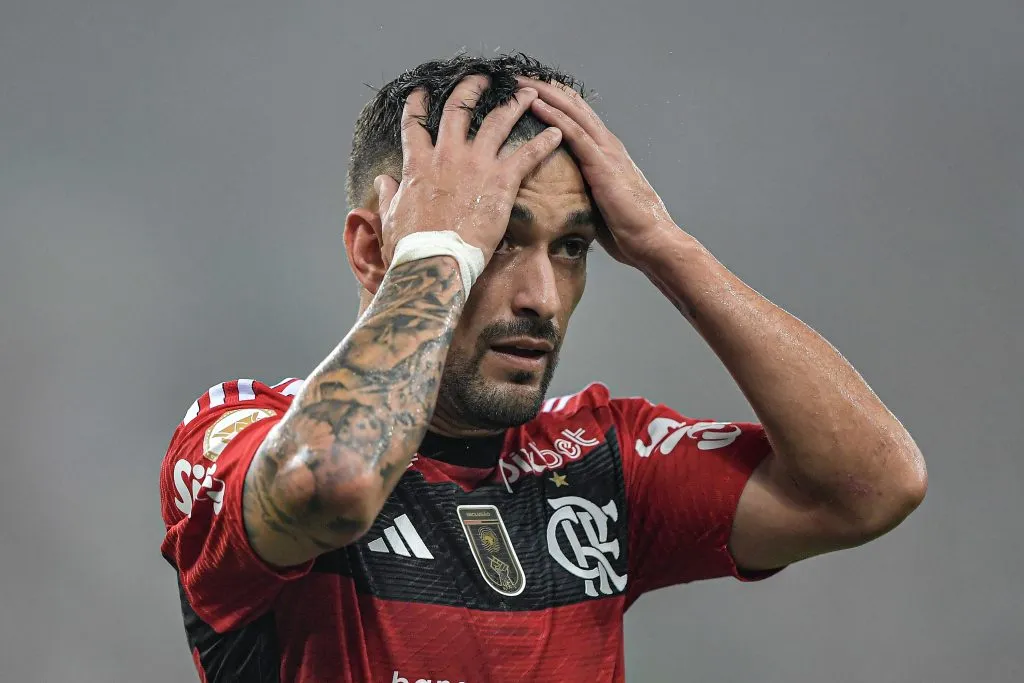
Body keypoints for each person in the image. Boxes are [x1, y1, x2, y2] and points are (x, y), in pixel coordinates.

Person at [159, 53, 927, 683]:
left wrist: (666, 246)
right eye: (495, 240)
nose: (543, 298)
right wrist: (436, 254)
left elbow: (872, 486)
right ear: (374, 250)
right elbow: (333, 483)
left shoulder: (599, 461)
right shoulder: (242, 431)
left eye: (571, 248)